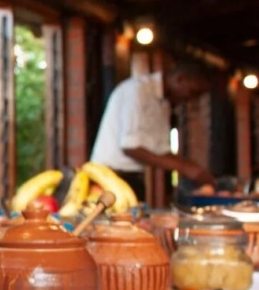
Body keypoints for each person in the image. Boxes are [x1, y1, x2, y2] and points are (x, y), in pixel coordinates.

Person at [90, 62, 216, 202]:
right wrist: (184, 167)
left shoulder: (165, 103)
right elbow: (130, 147)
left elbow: (161, 151)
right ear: (180, 79)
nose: (191, 100)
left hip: (134, 177)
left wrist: (193, 168)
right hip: (109, 178)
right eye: (193, 92)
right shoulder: (137, 90)